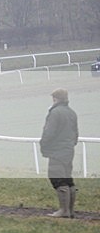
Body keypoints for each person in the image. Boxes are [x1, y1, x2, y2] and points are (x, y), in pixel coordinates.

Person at [40, 88, 79, 218]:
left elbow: (49, 133)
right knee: (68, 179)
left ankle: (63, 210)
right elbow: (75, 134)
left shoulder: (55, 113)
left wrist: (44, 146)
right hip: (68, 151)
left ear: (55, 99)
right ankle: (70, 210)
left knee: (58, 178)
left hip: (57, 151)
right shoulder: (72, 113)